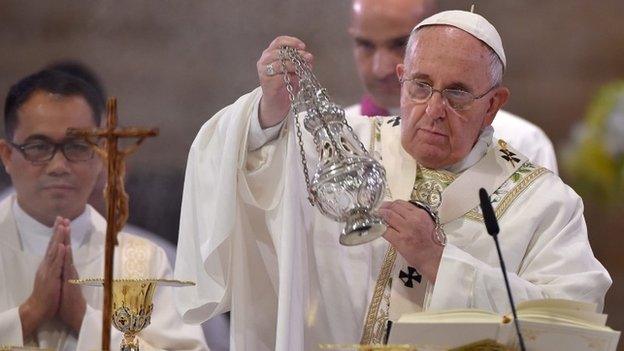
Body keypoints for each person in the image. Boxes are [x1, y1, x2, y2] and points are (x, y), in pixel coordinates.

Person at [174, 10, 610, 350]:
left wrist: (440, 261)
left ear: (493, 104)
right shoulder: (347, 150)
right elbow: (253, 160)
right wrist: (268, 109)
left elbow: (572, 329)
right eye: (421, 85)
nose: (434, 109)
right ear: (402, 81)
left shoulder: (545, 203)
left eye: (457, 92)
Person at [0, 69, 208, 350]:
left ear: (101, 156)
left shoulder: (143, 264)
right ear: (7, 155)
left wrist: (84, 319)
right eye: (39, 146)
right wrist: (29, 315)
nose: (58, 166)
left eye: (76, 146)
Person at [345, 0, 559, 173]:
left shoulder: (522, 141)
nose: (380, 69)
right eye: (365, 45)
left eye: (400, 44)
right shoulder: (336, 137)